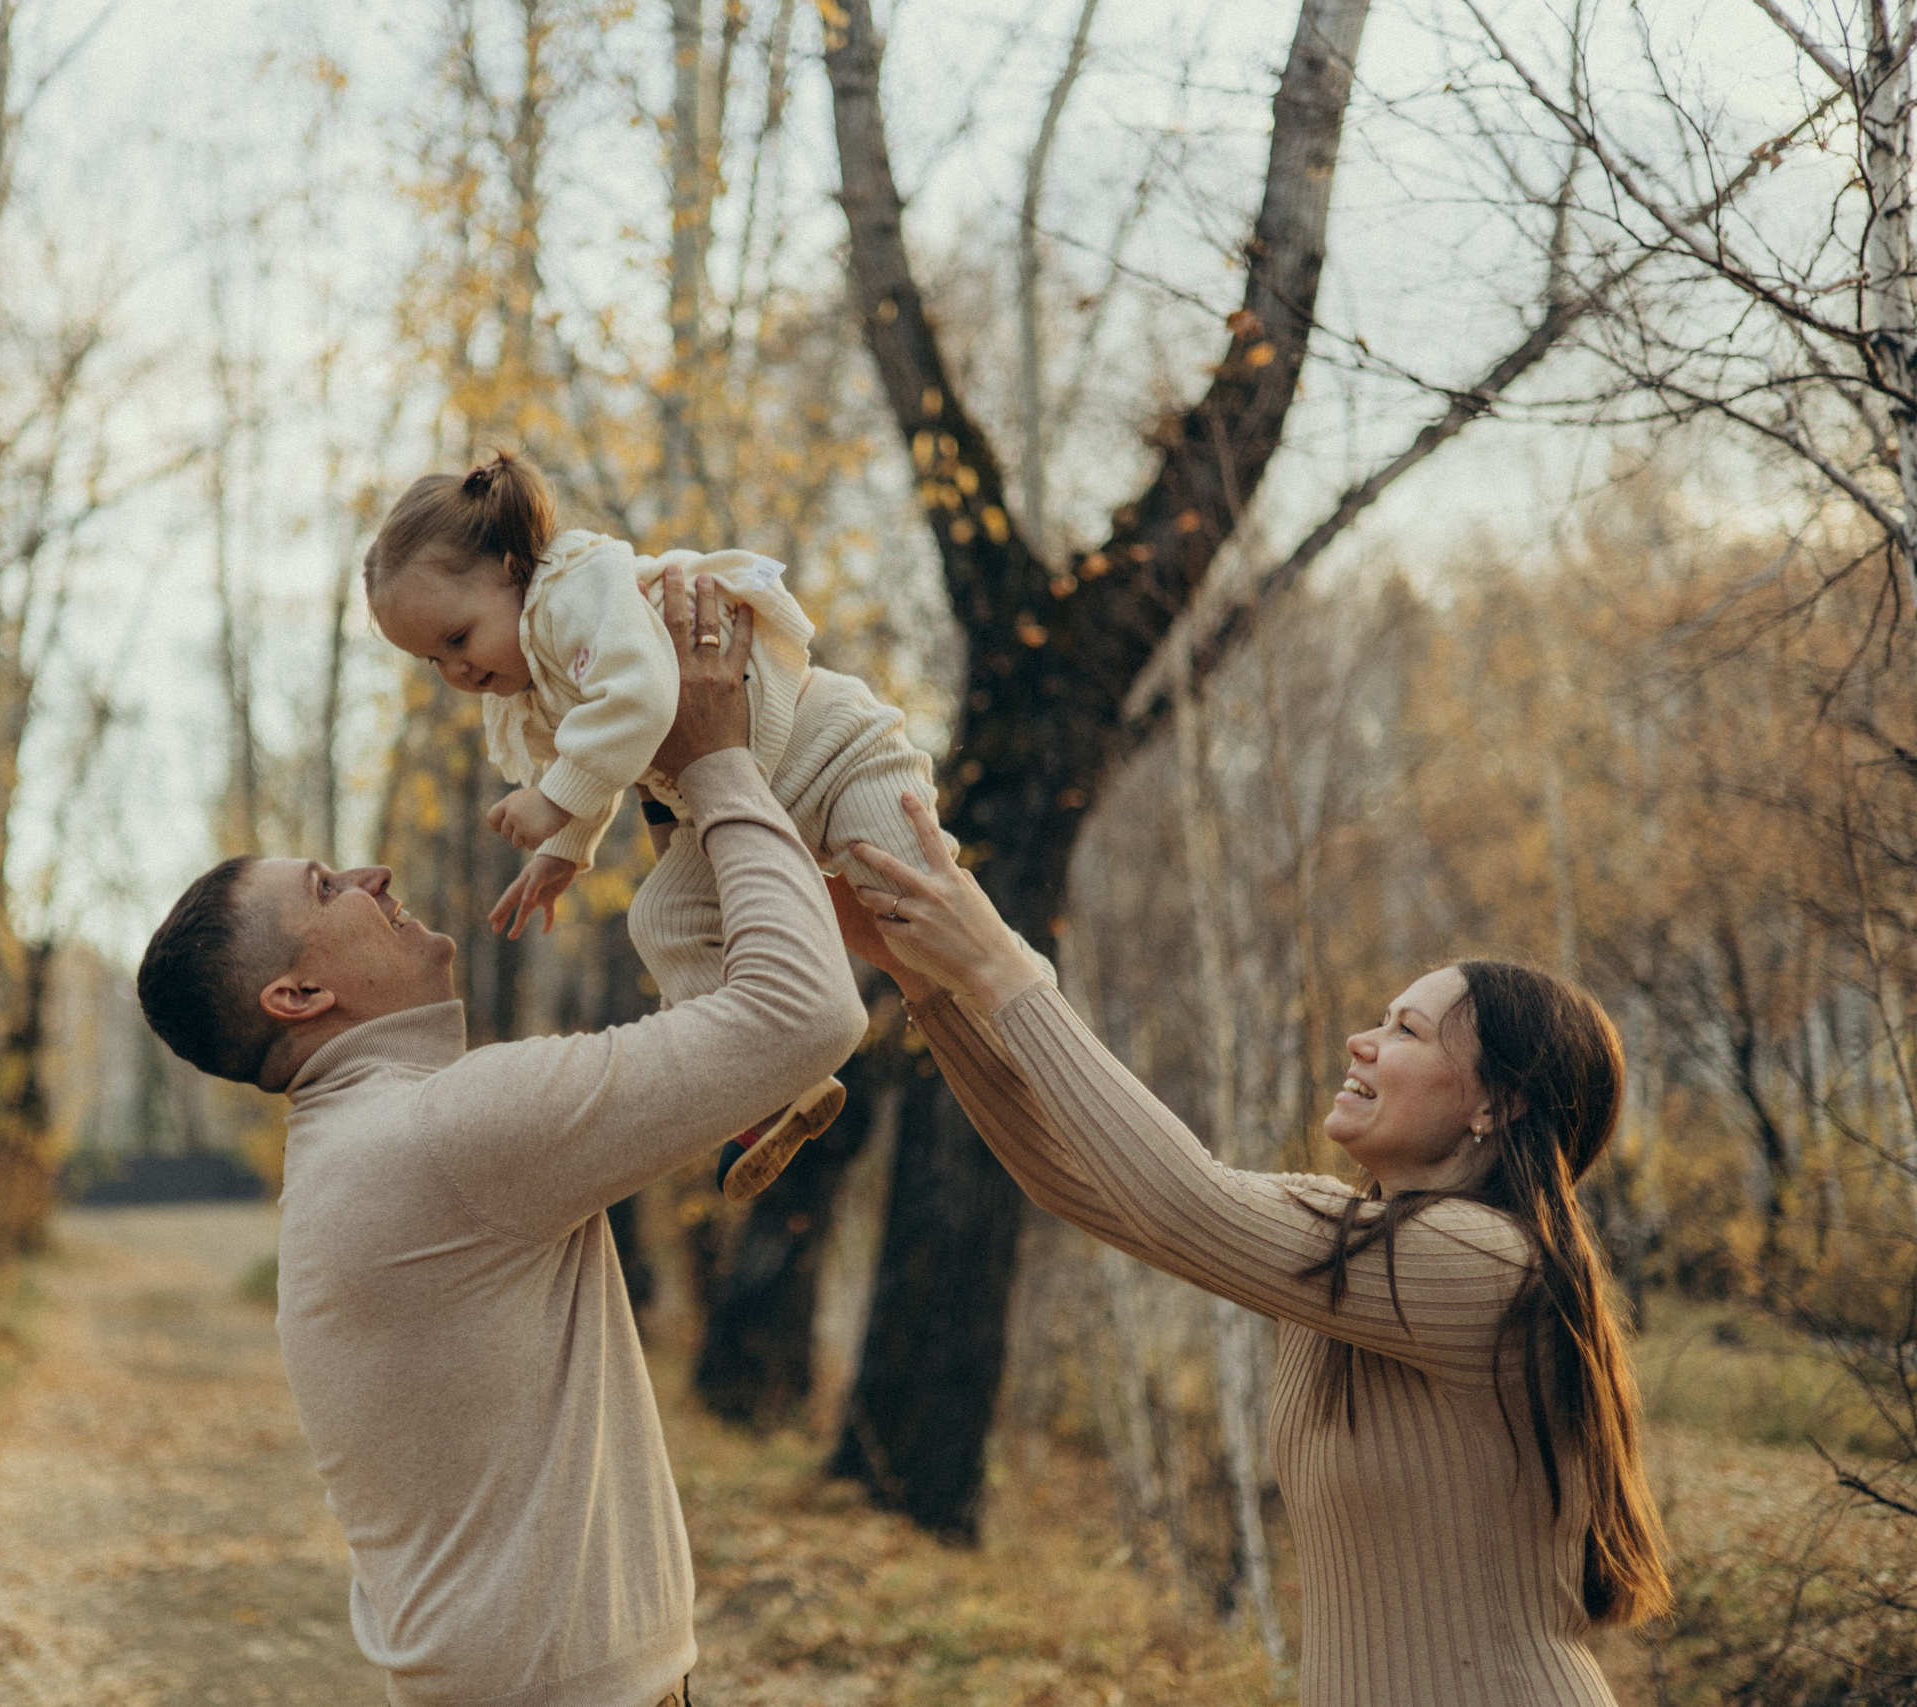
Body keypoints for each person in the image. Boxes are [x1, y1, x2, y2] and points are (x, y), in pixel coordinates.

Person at [135, 570, 867, 1707]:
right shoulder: (447, 1138)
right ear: (294, 997)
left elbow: (726, 1040)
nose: (372, 876)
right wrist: (720, 758)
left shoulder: (389, 1145)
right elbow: (804, 1018)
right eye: (329, 887)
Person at [832, 792, 1673, 1707]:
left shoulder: (1487, 1265)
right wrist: (924, 984)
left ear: (1498, 1105)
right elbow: (1080, 1178)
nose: (1363, 1038)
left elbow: (1181, 1197)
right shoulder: (1356, 1244)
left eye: (1407, 1030)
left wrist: (1002, 968)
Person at [362, 448, 937, 1200]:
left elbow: (640, 698)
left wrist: (554, 800)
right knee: (661, 919)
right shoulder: (531, 667)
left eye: (459, 638)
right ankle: (771, 1089)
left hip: (824, 744)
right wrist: (564, 851)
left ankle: (1008, 983)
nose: (458, 673)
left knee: (918, 904)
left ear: (509, 569)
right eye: (433, 660)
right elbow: (602, 751)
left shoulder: (577, 589)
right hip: (739, 798)